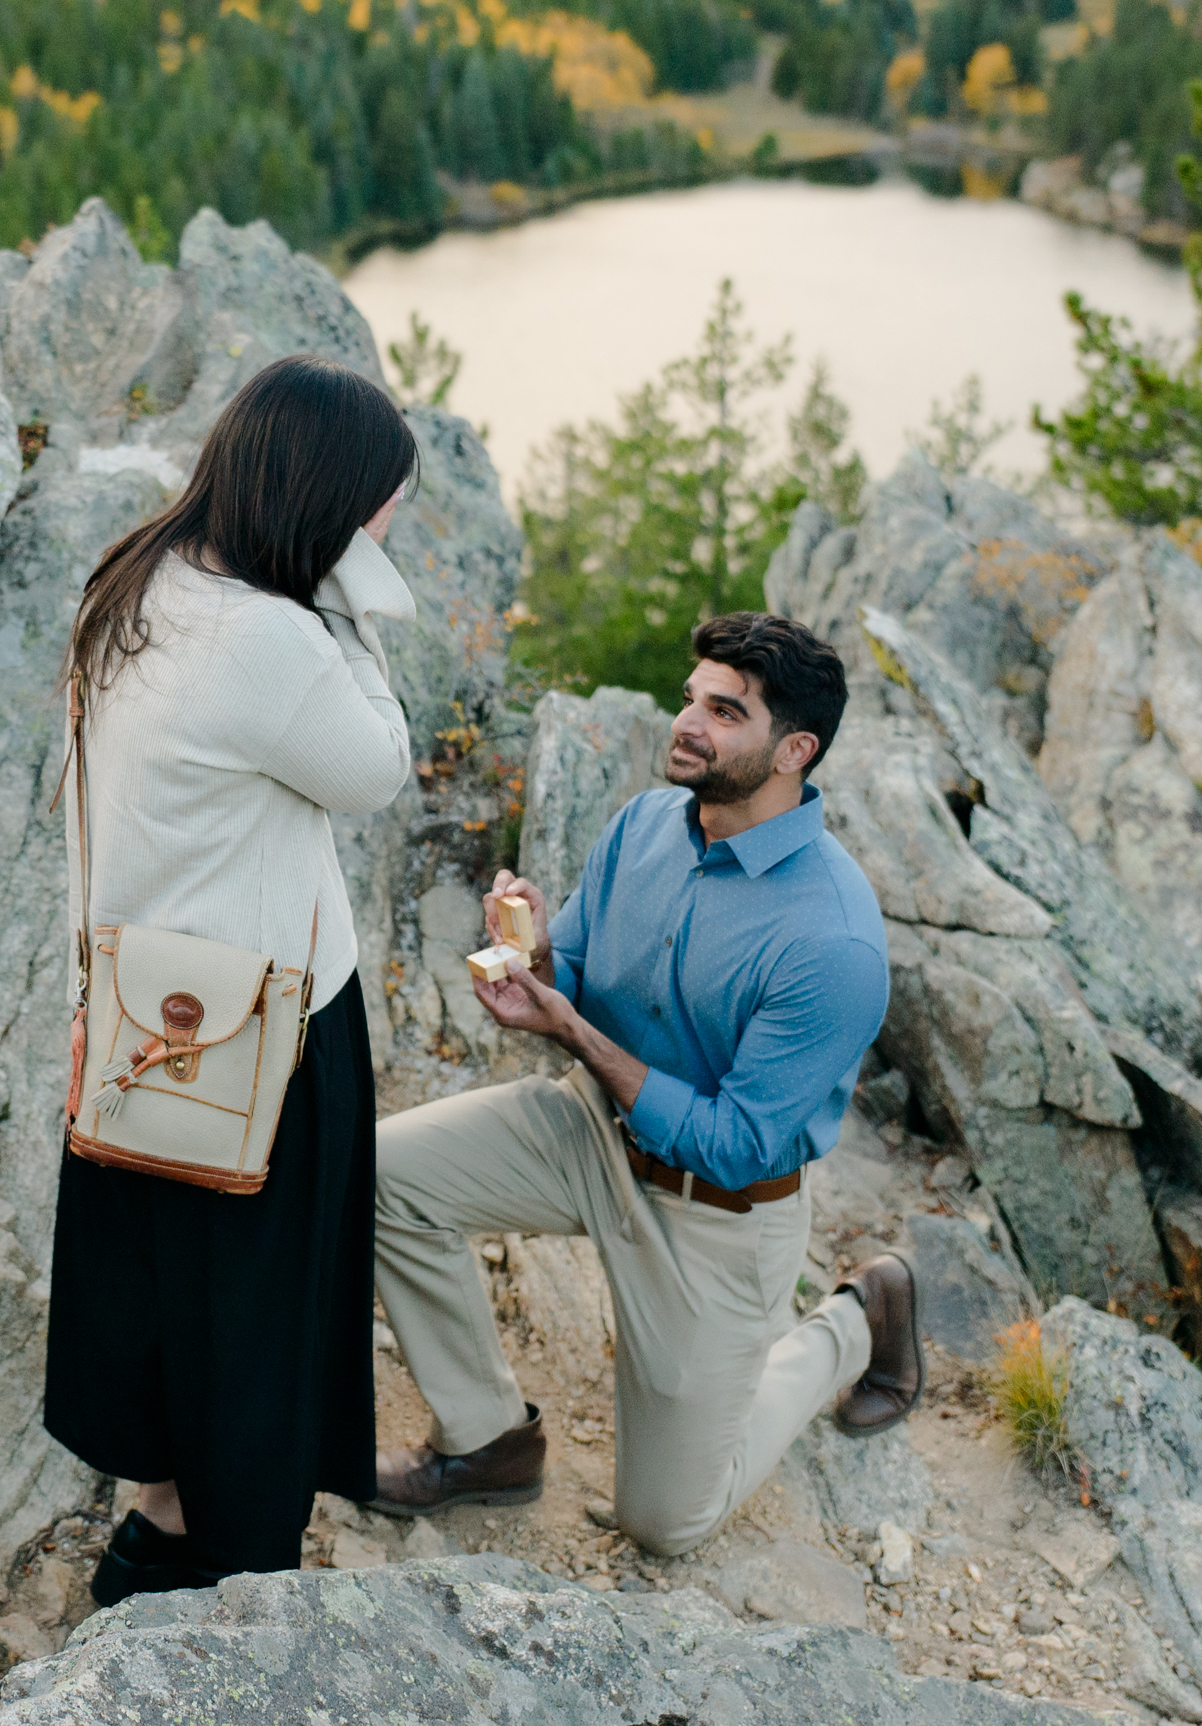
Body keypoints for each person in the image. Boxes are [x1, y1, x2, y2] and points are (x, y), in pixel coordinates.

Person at [365, 610, 913, 1556]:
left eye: (726, 711)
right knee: (374, 1172)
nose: (688, 723)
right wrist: (535, 955)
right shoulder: (646, 823)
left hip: (718, 1215)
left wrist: (571, 1028)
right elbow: (576, 971)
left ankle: (860, 1317)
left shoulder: (836, 943)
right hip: (590, 1137)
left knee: (666, 1524)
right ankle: (488, 1441)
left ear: (796, 749)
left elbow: (733, 1141)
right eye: (691, 698)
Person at [43, 354, 423, 1606]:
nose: (387, 526)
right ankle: (226, 1582)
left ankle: (153, 1528)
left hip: (140, 1002)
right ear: (326, 498)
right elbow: (378, 766)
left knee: (163, 1288)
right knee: (255, 1312)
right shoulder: (271, 634)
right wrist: (347, 597)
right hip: (266, 1028)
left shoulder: (136, 577)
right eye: (380, 506)